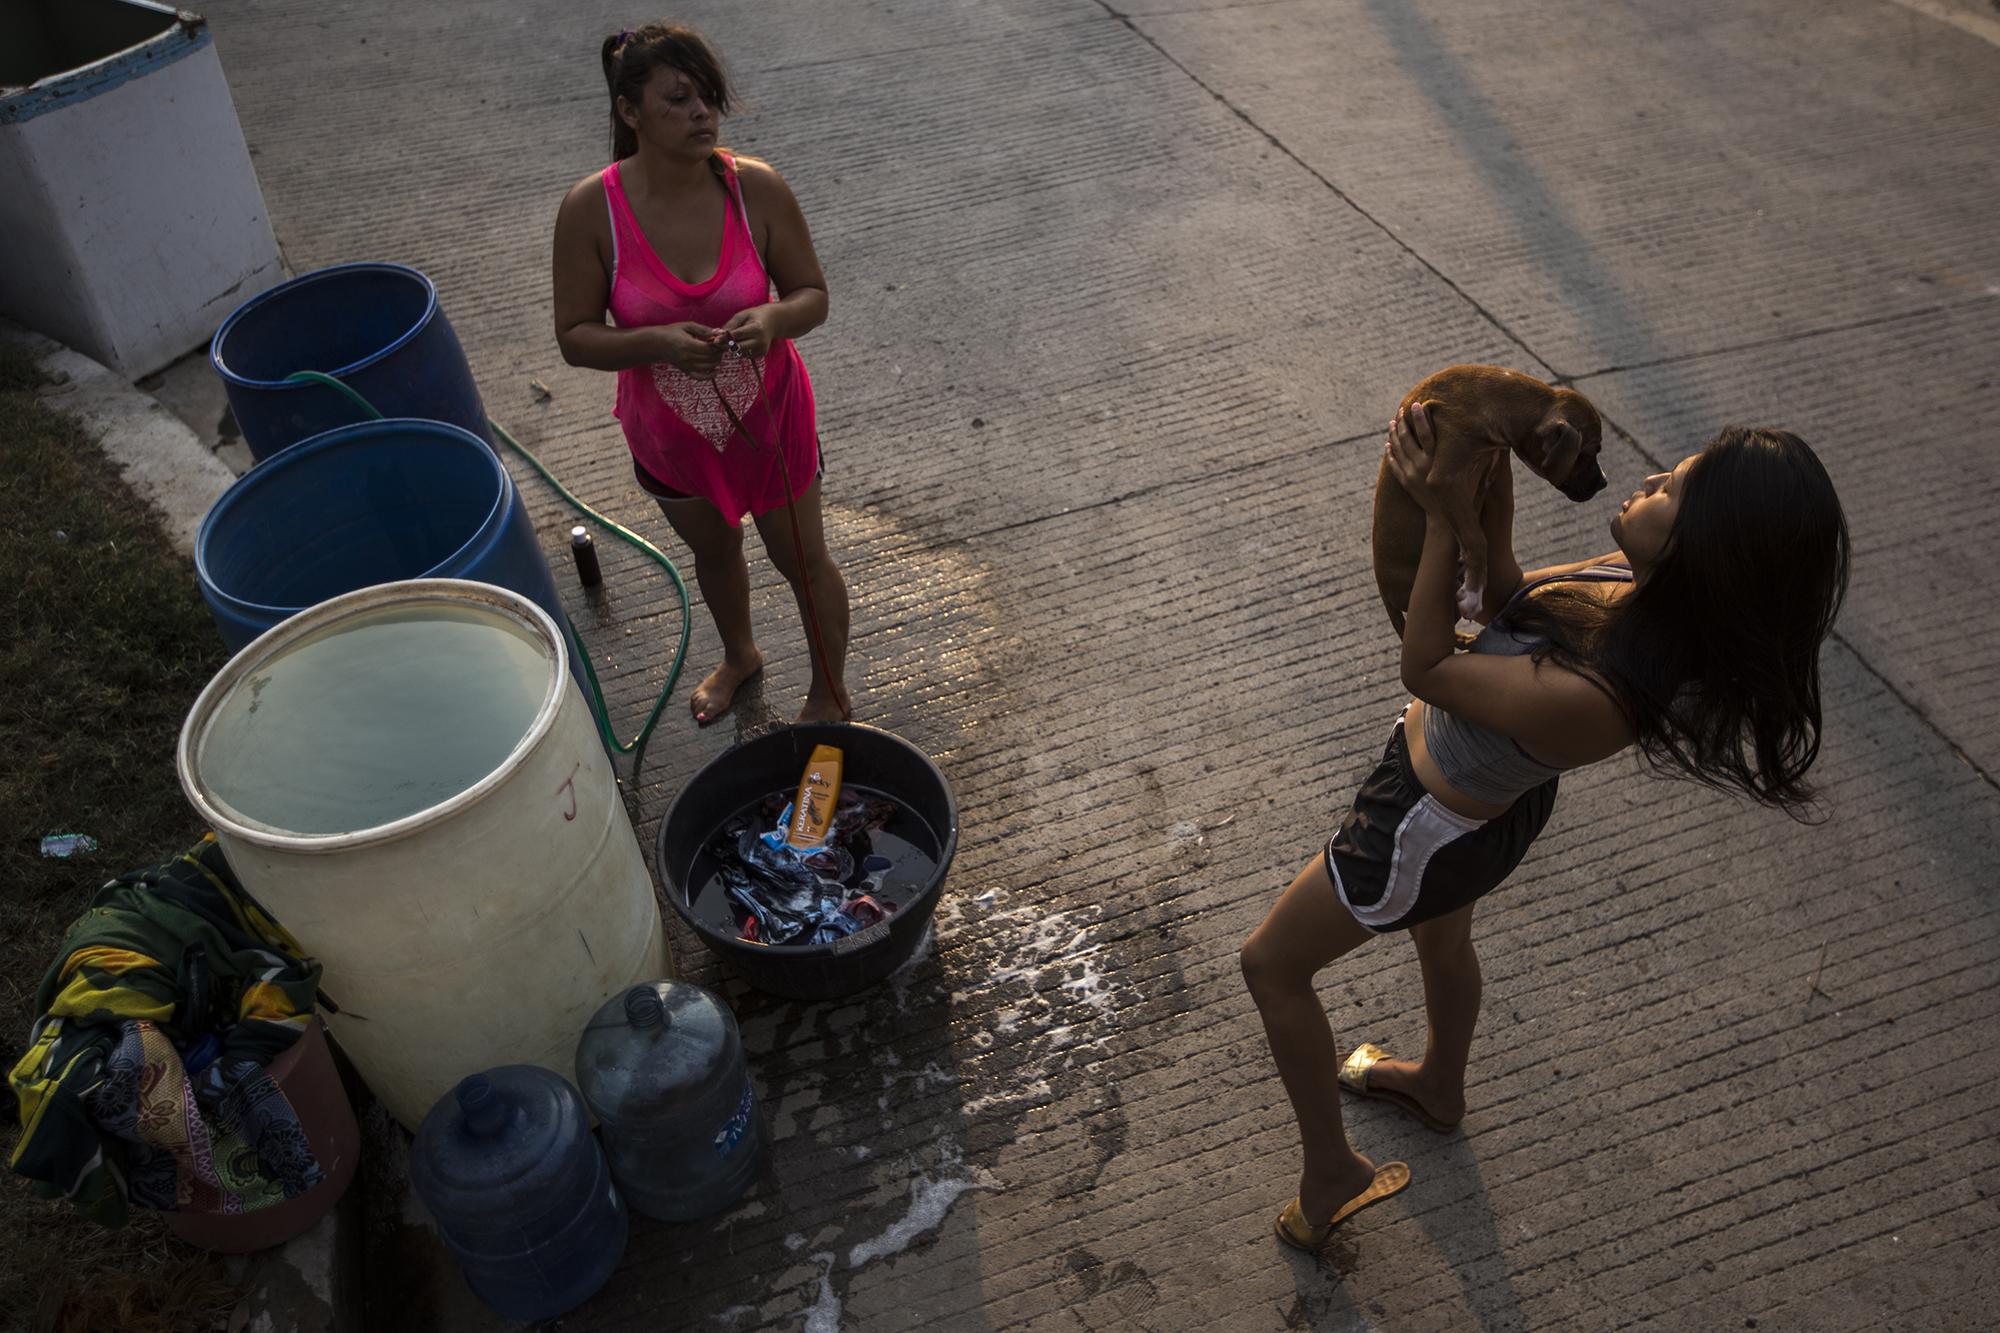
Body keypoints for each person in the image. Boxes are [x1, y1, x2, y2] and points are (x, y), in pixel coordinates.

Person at [1241, 404, 1850, 1252]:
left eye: (1670, 487)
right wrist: (1489, 488)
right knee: (1443, 944)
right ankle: (1440, 1087)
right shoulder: (1632, 585)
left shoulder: (1598, 700)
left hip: (1424, 822)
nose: (1645, 478)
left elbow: (1427, 662)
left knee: (1271, 965)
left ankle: (1331, 1169)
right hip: (1475, 808)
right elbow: (1508, 601)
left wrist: (1444, 514)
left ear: (1696, 551)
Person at [553, 23, 850, 725]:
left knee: (802, 557)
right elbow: (574, 336)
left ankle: (830, 692)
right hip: (672, 437)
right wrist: (654, 341)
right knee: (715, 554)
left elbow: (812, 293)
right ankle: (741, 654)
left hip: (771, 421)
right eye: (679, 100)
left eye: (709, 99)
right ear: (630, 113)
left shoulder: (755, 189)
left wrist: (775, 320)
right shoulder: (592, 211)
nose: (703, 115)